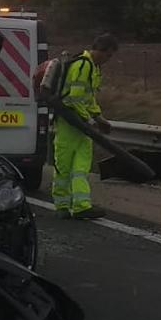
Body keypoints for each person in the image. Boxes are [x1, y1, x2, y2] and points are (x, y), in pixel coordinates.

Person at [52, 33, 119, 220]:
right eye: (108, 55)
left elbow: (88, 99)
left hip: (80, 124)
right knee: (64, 166)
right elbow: (74, 98)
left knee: (80, 167)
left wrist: (99, 118)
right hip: (69, 123)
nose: (108, 59)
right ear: (101, 50)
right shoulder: (83, 65)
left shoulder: (93, 68)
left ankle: (81, 205)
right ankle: (62, 205)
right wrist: (89, 120)